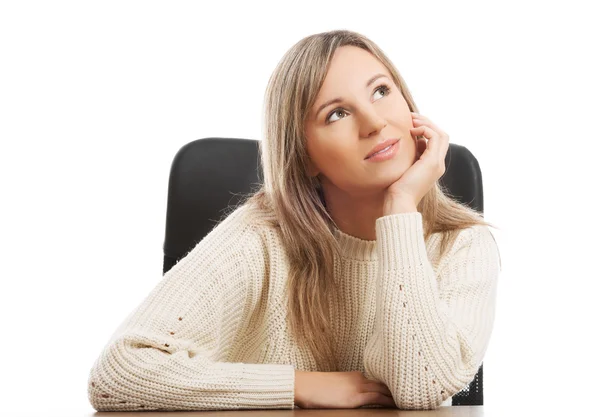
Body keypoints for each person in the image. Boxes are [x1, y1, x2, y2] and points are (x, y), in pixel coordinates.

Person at [87, 29, 501, 412]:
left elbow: (420, 388)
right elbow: (117, 374)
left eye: (380, 90)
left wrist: (400, 208)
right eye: (337, 113)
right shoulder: (261, 237)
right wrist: (298, 385)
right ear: (303, 158)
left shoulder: (464, 246)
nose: (375, 123)